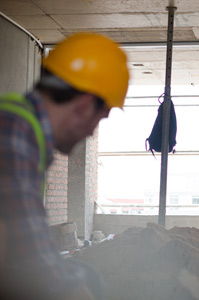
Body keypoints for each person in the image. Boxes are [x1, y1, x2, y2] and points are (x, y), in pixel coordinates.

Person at [0, 33, 130, 300]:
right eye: (100, 118)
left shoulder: (18, 123)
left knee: (85, 275)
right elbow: (31, 251)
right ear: (83, 107)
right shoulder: (14, 132)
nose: (93, 132)